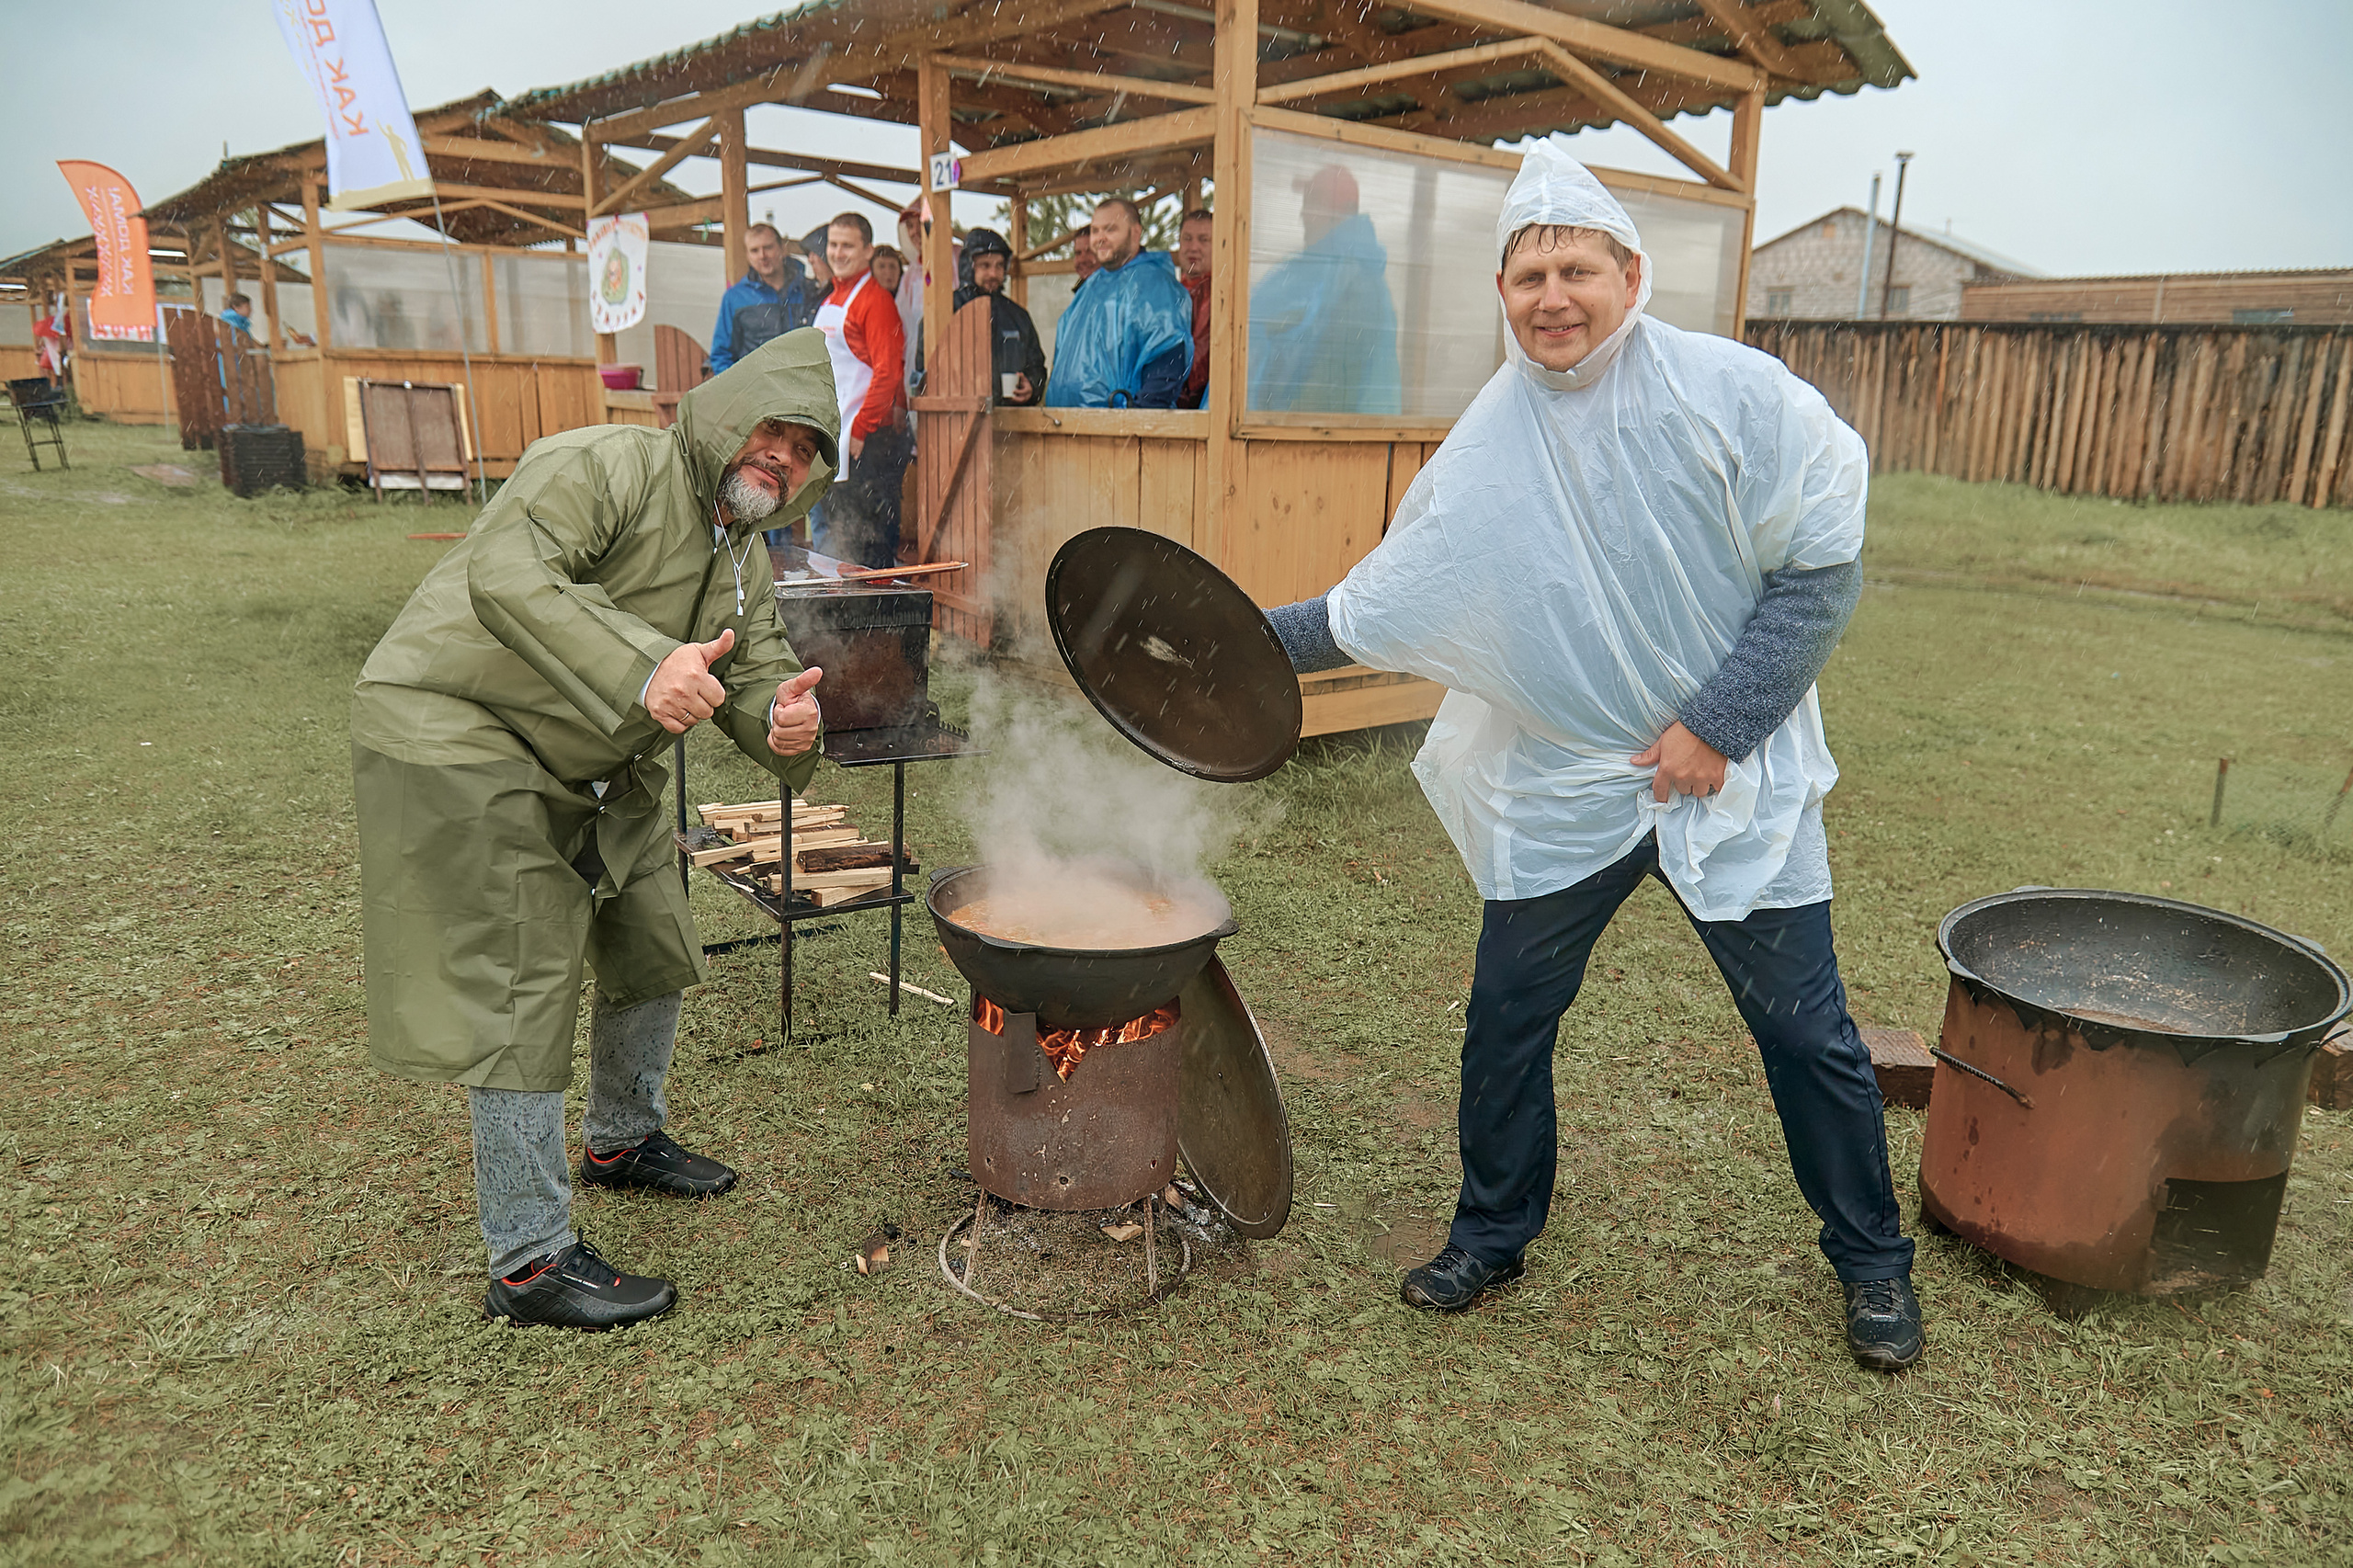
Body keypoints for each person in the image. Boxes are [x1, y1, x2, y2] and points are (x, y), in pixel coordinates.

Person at [1260, 138, 1922, 1372]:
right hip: (1567, 784)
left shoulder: (1730, 393)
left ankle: (1874, 1263)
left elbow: (1822, 564)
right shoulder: (1490, 444)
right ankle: (1491, 1233)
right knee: (1507, 1018)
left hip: (1730, 777)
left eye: (1576, 270)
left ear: (1630, 273)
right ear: (1502, 295)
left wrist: (1718, 724)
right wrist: (1229, 639)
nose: (1552, 298)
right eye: (1529, 277)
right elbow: (1378, 604)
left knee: (1806, 1033)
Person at [350, 329, 838, 1330]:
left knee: (651, 928)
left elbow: (759, 677)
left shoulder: (743, 553)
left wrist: (789, 724)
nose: (782, 457)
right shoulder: (606, 464)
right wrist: (644, 666)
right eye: (773, 430)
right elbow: (506, 571)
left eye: (804, 450)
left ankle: (622, 1138)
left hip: (595, 762)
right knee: (521, 974)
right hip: (463, 726)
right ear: (724, 413)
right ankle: (528, 1260)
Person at [1247, 165, 1399, 414]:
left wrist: (1285, 424)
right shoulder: (1316, 271)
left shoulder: (1354, 283)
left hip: (1320, 432)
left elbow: (1332, 384)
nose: (1303, 215)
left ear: (1336, 214)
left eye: (1312, 204)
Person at [816, 210, 910, 569]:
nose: (838, 253)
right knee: (840, 540)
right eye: (833, 245)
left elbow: (888, 373)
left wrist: (860, 428)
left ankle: (877, 604)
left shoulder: (876, 301)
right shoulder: (830, 299)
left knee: (870, 544)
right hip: (837, 437)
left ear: (868, 250)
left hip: (868, 444)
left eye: (847, 246)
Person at [1044, 197, 1193, 410]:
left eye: (1110, 229)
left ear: (1135, 232)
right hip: (1065, 422)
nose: (1100, 238)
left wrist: (1140, 413)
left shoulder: (1154, 285)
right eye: (1095, 231)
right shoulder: (1090, 286)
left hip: (1118, 424)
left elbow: (1167, 357)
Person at [708, 222, 825, 375]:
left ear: (782, 248)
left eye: (768, 247)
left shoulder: (809, 291)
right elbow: (721, 354)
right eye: (754, 251)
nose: (762, 256)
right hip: (758, 387)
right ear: (748, 256)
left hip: (804, 384)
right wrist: (740, 386)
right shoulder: (735, 298)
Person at [952, 227, 1048, 406]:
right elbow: (926, 369)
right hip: (959, 417)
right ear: (968, 267)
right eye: (985, 265)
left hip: (1010, 419)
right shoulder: (949, 310)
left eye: (999, 266)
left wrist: (1032, 386)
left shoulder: (1018, 316)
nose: (993, 274)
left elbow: (1037, 367)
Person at [1175, 209, 1213, 409]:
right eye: (1187, 239)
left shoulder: (1224, 295)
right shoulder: (1169, 292)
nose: (1193, 247)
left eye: (1204, 240)